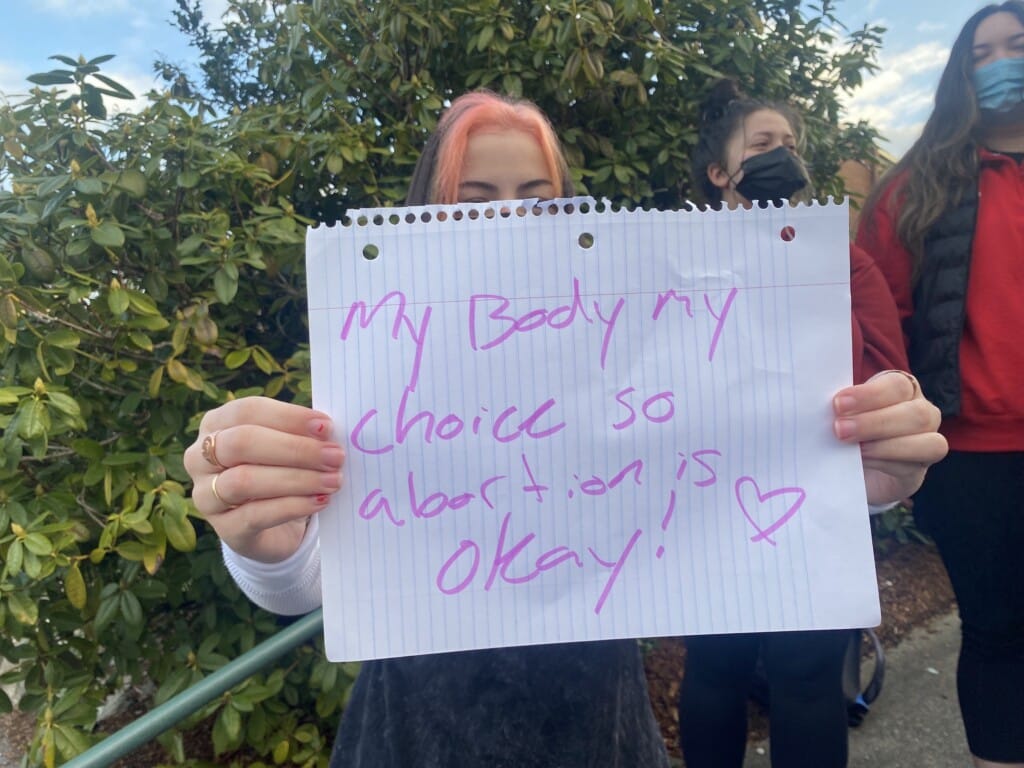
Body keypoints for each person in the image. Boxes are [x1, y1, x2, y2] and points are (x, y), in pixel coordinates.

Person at [184, 90, 945, 767]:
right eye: (474, 195)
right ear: (427, 206)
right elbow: (311, 578)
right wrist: (261, 539)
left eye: (537, 196)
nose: (509, 217)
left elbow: (725, 469)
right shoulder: (382, 347)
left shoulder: (631, 335)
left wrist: (860, 484)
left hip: (599, 721)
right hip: (416, 730)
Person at [676, 78, 948, 768]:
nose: (782, 157)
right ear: (718, 173)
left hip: (817, 502)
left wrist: (883, 416)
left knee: (806, 680)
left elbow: (887, 366)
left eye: (790, 145)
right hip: (707, 503)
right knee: (714, 673)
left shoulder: (843, 260)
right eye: (763, 145)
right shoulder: (677, 264)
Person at [856, 5, 1024, 767]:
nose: (999, 62)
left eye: (1016, 46)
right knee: (996, 633)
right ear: (959, 71)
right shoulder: (912, 190)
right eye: (981, 51)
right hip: (973, 460)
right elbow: (879, 333)